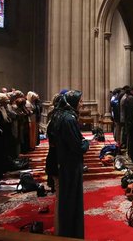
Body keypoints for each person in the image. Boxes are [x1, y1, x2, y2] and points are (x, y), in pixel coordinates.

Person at [48, 90, 89, 238]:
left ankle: (65, 232)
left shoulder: (60, 115)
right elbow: (77, 146)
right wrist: (86, 144)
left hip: (63, 162)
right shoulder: (69, 119)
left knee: (65, 200)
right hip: (70, 164)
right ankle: (70, 234)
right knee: (70, 201)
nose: (82, 104)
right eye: (80, 101)